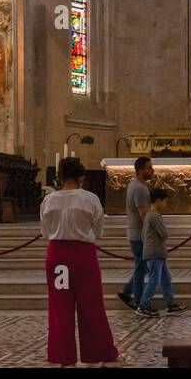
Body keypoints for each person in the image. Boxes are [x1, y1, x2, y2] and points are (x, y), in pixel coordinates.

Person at [40, 157, 120, 366]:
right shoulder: (90, 199)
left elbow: (45, 231)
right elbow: (98, 230)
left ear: (60, 176)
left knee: (59, 307)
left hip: (57, 257)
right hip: (83, 255)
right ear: (80, 176)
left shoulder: (49, 200)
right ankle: (99, 354)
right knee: (91, 305)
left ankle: (62, 356)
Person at [135, 188, 187, 318]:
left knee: (166, 279)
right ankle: (143, 306)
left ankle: (170, 305)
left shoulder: (149, 215)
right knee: (154, 280)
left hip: (157, 253)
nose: (166, 205)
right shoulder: (154, 215)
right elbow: (164, 233)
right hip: (155, 253)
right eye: (165, 202)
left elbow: (143, 235)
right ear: (158, 200)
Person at [117, 156, 154, 309]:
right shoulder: (139, 188)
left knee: (142, 267)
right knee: (141, 268)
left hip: (136, 233)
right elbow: (143, 215)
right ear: (140, 171)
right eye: (149, 168)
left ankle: (127, 292)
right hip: (140, 235)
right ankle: (138, 300)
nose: (152, 170)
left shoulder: (135, 185)